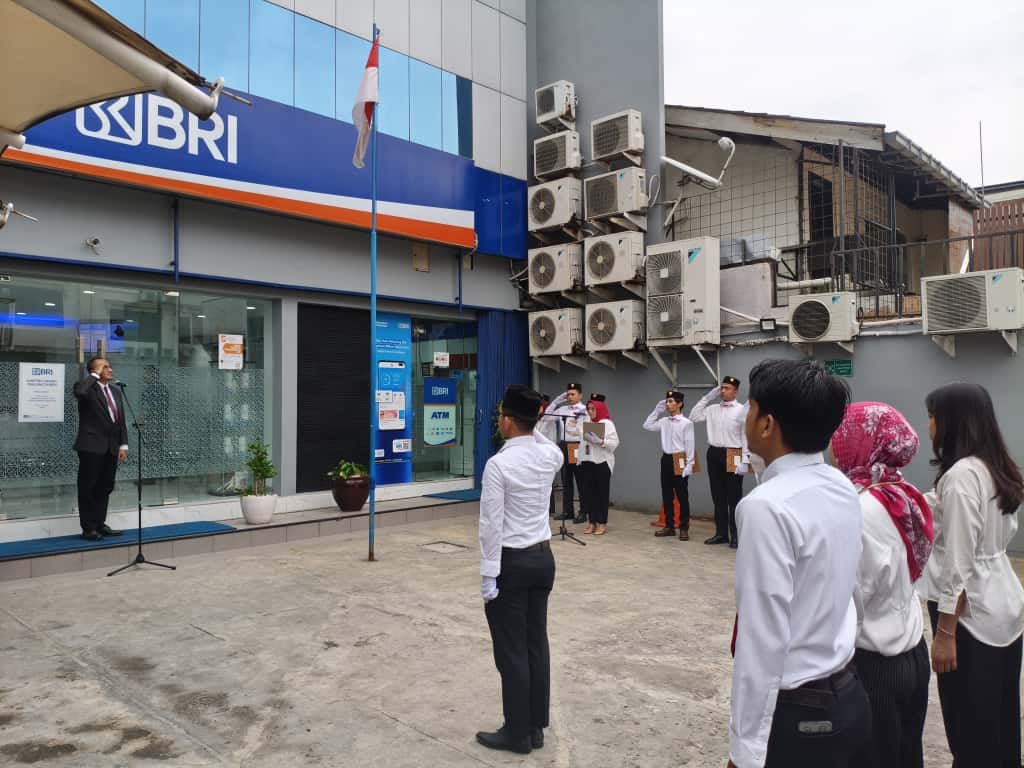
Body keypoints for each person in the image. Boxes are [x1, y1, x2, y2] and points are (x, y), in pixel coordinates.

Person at [728, 359, 870, 768]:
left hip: (800, 713)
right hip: (847, 692)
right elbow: (852, 589)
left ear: (767, 425)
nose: (745, 416)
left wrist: (745, 751)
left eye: (751, 407)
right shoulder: (840, 485)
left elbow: (762, 638)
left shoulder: (765, 507)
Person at [919, 382, 1024, 767]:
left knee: (969, 730)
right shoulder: (994, 467)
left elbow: (959, 562)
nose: (929, 425)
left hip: (969, 618)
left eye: (932, 416)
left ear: (953, 421)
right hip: (1004, 605)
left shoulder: (961, 475)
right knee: (1000, 721)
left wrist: (945, 634)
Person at [832, 402, 934, 768]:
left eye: (841, 437)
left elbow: (853, 596)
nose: (834, 448)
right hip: (913, 651)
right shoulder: (902, 491)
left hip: (874, 662)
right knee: (908, 754)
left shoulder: (858, 506)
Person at [476, 384, 563, 755]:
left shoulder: (499, 465)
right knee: (535, 644)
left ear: (509, 422)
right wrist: (533, 425)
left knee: (511, 651)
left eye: (501, 415)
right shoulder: (549, 456)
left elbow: (490, 526)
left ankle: (517, 733)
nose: (499, 420)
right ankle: (535, 726)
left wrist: (488, 576)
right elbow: (550, 447)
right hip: (543, 560)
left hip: (511, 563)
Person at [689, 375, 750, 549]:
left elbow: (745, 436)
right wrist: (707, 397)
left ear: (735, 392)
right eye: (721, 388)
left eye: (727, 388)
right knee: (718, 496)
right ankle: (721, 533)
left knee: (734, 497)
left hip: (734, 452)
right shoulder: (712, 409)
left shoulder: (741, 410)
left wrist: (745, 459)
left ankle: (736, 535)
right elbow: (693, 416)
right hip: (714, 453)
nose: (723, 391)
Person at [73, 357, 128, 541]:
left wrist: (123, 444)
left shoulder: (115, 391)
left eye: (109, 366)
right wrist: (94, 374)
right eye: (105, 367)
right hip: (91, 446)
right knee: (88, 487)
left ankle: (99, 524)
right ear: (95, 370)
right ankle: (88, 528)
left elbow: (121, 420)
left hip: (111, 447)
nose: (110, 369)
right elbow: (80, 392)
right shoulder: (86, 388)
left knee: (105, 486)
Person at [643, 390, 695, 541]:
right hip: (666, 458)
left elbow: (690, 444)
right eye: (667, 401)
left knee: (682, 495)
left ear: (680, 404)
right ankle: (669, 526)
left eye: (671, 401)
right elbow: (647, 425)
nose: (667, 404)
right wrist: (657, 410)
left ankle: (684, 527)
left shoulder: (687, 423)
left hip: (680, 458)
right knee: (666, 494)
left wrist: (690, 464)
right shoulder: (664, 421)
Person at [544, 382, 588, 523]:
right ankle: (568, 511)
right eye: (568, 394)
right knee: (566, 479)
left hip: (577, 445)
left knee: (580, 479)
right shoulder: (562, 409)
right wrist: (556, 401)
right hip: (563, 445)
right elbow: (546, 417)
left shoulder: (585, 410)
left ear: (580, 395)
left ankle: (583, 512)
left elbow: (589, 430)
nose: (570, 396)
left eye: (573, 394)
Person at [578, 393, 619, 535]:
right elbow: (581, 442)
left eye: (593, 409)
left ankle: (602, 522)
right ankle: (592, 522)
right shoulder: (586, 422)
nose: (590, 411)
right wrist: (580, 459)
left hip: (602, 462)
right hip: (588, 461)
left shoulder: (607, 423)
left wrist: (601, 441)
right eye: (588, 409)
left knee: (601, 493)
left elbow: (614, 442)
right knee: (589, 493)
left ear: (600, 409)